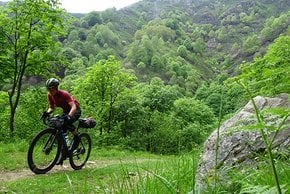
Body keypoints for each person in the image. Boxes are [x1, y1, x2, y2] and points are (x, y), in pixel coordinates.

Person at [42, 78, 81, 165]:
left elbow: (73, 107)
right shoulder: (49, 95)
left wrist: (69, 116)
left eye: (50, 88)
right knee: (60, 128)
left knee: (67, 123)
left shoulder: (64, 94)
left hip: (75, 110)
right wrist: (47, 113)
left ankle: (77, 137)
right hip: (66, 111)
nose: (49, 90)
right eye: (48, 88)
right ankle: (63, 153)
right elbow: (52, 107)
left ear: (56, 88)